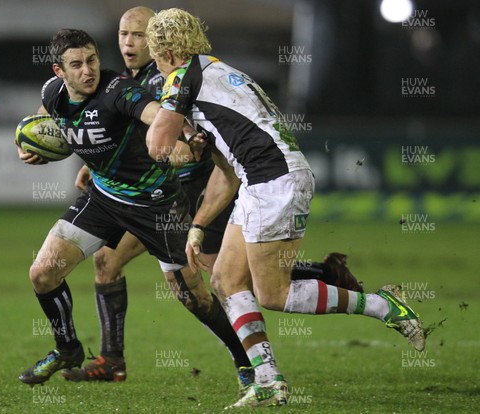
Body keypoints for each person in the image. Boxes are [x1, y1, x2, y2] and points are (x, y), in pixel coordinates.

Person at [61, 7, 364, 389]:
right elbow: (128, 134)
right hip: (149, 191)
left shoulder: (170, 79)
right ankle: (112, 359)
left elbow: (192, 143)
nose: (129, 43)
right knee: (118, 262)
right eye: (123, 34)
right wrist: (101, 162)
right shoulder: (125, 81)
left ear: (158, 42)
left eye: (138, 35)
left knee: (213, 277)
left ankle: (253, 357)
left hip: (188, 192)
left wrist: (189, 147)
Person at [145, 8, 425, 408]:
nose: (155, 65)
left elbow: (157, 145)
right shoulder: (214, 72)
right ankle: (268, 381)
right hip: (266, 178)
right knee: (225, 279)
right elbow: (227, 172)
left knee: (273, 294)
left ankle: (383, 304)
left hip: (273, 182)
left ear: (167, 51)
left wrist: (177, 142)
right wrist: (200, 226)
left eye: (156, 56)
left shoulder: (182, 78)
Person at [16, 27, 258, 389]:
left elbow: (157, 113)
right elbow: (38, 123)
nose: (88, 70)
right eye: (77, 64)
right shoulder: (52, 94)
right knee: (42, 274)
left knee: (194, 296)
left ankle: (247, 362)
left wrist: (186, 138)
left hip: (156, 206)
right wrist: (27, 145)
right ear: (59, 72)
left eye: (92, 60)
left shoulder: (118, 91)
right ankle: (68, 348)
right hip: (104, 199)